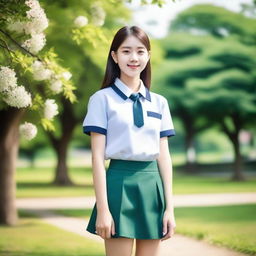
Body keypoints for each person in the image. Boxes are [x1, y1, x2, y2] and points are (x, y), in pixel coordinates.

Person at [82, 25, 176, 256]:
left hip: (152, 188)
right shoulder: (101, 100)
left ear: (148, 55)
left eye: (140, 51)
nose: (134, 58)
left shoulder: (159, 103)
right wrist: (103, 209)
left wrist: (169, 208)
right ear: (114, 56)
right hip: (117, 185)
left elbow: (164, 156)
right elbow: (96, 158)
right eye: (126, 51)